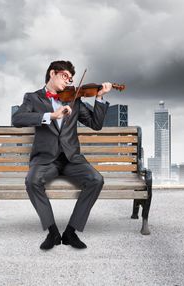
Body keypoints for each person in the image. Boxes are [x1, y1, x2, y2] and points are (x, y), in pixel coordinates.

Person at [12, 60, 112, 250]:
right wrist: (50, 116)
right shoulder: (32, 98)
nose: (69, 81)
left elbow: (95, 124)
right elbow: (17, 119)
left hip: (71, 159)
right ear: (52, 73)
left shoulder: (73, 99)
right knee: (32, 181)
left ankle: (71, 232)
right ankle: (52, 232)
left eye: (71, 78)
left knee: (96, 179)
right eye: (65, 76)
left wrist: (99, 98)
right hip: (45, 159)